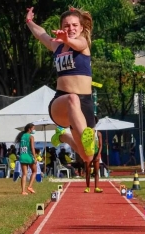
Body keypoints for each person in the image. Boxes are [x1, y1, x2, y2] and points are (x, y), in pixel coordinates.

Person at [26, 6, 95, 163]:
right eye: (66, 25)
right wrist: (29, 21)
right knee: (72, 98)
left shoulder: (83, 42)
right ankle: (85, 135)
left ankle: (63, 136)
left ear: (81, 28)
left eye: (74, 25)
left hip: (85, 103)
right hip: (62, 101)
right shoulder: (57, 46)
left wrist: (67, 39)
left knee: (87, 157)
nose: (70, 28)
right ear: (61, 27)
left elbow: (77, 45)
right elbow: (41, 34)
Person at [15, 123, 37, 195]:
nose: (34, 130)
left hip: (22, 156)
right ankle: (30, 186)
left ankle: (23, 191)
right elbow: (32, 148)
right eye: (33, 128)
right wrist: (35, 157)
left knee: (24, 174)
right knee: (34, 171)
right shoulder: (31, 137)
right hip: (29, 156)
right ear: (29, 129)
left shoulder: (22, 136)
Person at [84, 116, 103, 193]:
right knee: (87, 171)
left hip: (96, 153)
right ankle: (87, 187)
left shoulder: (98, 133)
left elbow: (101, 145)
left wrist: (98, 154)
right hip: (88, 154)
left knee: (96, 171)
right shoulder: (86, 133)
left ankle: (96, 187)